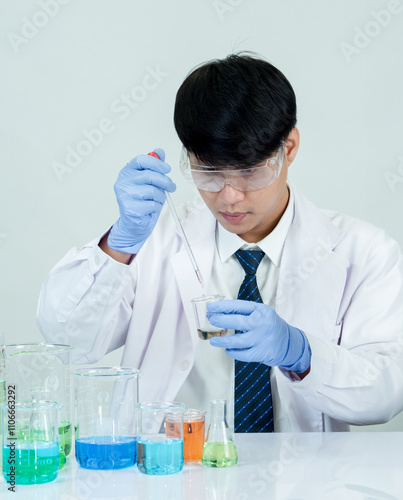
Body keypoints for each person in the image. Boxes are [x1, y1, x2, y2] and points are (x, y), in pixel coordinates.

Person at [37, 53, 403, 432]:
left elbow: (386, 394)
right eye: (209, 172)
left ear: (288, 148)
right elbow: (69, 340)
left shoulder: (364, 251)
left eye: (249, 172)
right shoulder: (155, 240)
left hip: (303, 481)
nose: (228, 196)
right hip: (170, 475)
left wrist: (301, 354)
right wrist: (119, 244)